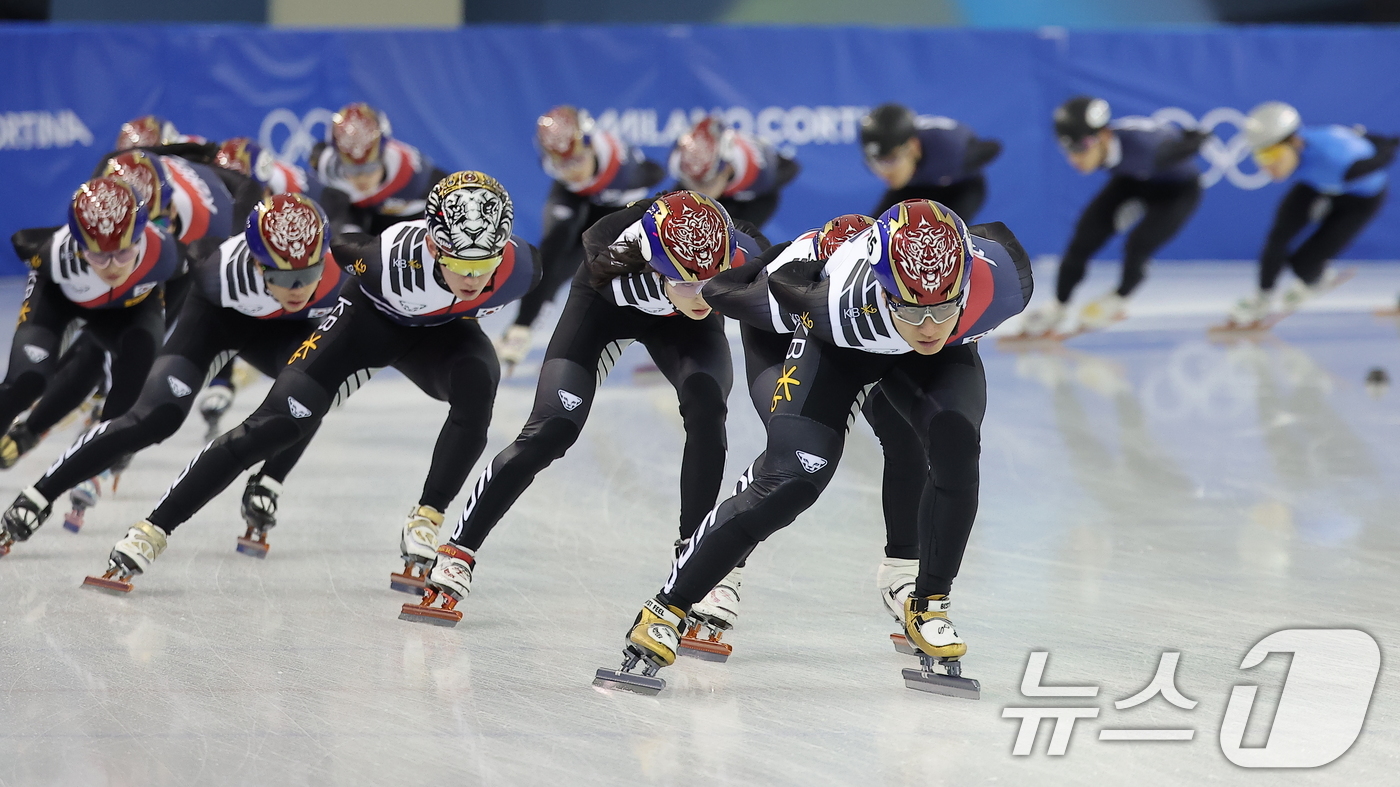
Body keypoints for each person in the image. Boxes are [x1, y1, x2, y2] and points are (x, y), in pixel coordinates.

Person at [593, 199, 1033, 697]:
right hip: (837, 345)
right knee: (794, 477)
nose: (929, 325)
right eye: (912, 308)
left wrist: (929, 308)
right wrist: (767, 265)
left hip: (937, 354)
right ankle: (667, 607)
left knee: (956, 444)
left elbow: (997, 233)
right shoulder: (831, 298)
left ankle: (929, 603)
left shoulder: (1000, 286)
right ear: (886, 291)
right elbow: (726, 291)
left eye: (942, 307)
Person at [79, 172, 540, 593]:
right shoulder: (387, 262)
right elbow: (342, 245)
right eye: (463, 265)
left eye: (487, 267)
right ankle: (153, 528)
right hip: (369, 326)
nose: (476, 281)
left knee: (479, 384)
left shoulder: (522, 269)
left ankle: (427, 516)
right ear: (435, 248)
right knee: (278, 422)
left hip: (443, 336)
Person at [401, 191, 765, 625]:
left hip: (685, 331)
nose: (704, 294)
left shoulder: (740, 256)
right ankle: (459, 548)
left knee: (707, 409)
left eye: (714, 279)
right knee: (553, 428)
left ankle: (701, 558)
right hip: (603, 311)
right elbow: (561, 256)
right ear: (652, 263)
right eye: (687, 281)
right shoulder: (610, 250)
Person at [0, 194, 343, 544]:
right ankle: (40, 495)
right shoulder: (215, 270)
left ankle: (269, 482)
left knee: (312, 388)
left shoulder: (343, 276)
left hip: (287, 334)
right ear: (257, 264)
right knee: (156, 417)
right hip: (220, 323)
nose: (298, 288)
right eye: (284, 277)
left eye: (310, 272)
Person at [674, 213, 932, 659]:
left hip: (853, 341)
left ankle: (901, 573)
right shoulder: (775, 290)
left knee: (905, 436)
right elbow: (722, 291)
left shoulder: (871, 290)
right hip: (779, 338)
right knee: (787, 458)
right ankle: (721, 570)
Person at [0, 178, 182, 525]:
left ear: (143, 236)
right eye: (98, 253)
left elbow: (193, 285)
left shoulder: (166, 253)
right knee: (26, 382)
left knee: (134, 379)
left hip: (129, 311)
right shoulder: (53, 253)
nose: (112, 265)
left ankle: (92, 457)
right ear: (79, 244)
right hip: (61, 300)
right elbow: (22, 239)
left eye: (124, 252)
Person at [494, 106, 666, 371]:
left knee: (599, 263)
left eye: (575, 160)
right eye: (560, 164)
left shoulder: (625, 170)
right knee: (552, 249)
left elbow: (657, 172)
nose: (570, 170)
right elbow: (569, 179)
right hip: (576, 197)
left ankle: (661, 338)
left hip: (613, 202)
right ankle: (521, 328)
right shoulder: (555, 166)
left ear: (591, 147)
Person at [1019, 96, 1206, 337]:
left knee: (1139, 244)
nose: (1074, 158)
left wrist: (1194, 140)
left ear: (1105, 135)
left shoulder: (1144, 147)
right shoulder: (1107, 146)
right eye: (1067, 149)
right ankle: (1058, 306)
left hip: (1178, 190)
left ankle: (1119, 298)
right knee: (1084, 236)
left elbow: (1183, 145)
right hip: (1133, 181)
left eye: (1080, 148)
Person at [1227, 101, 1395, 327]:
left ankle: (1315, 278)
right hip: (1315, 184)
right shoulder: (1297, 145)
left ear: (1295, 142)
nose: (1268, 166)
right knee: (1278, 237)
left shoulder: (1338, 158)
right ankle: (1262, 298)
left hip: (1361, 198)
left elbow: (1382, 154)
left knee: (1303, 263)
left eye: (1273, 155)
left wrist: (1390, 144)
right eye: (1261, 158)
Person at [310, 102, 448, 236]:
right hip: (352, 212)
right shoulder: (323, 166)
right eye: (352, 170)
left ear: (384, 155)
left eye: (370, 168)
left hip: (399, 218)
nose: (362, 178)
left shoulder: (414, 175)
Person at [858, 102, 1002, 219]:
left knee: (942, 236)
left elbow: (994, 147)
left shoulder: (950, 151)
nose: (884, 173)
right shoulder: (899, 169)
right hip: (915, 185)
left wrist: (975, 158)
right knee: (874, 232)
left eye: (890, 160)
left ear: (914, 147)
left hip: (961, 188)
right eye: (877, 163)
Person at [668, 117, 800, 229]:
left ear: (727, 168)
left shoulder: (757, 173)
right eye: (694, 182)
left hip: (755, 199)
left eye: (707, 184)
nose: (699, 191)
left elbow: (791, 168)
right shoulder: (679, 161)